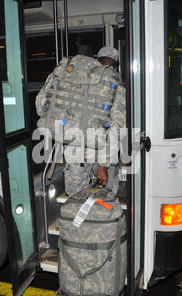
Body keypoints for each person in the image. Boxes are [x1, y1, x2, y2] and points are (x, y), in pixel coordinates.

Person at [35, 46, 126, 200]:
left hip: (75, 154)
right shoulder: (113, 83)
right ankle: (100, 220)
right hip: (102, 153)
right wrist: (103, 165)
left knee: (77, 199)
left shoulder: (68, 76)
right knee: (106, 199)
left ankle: (81, 219)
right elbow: (116, 128)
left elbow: (40, 106)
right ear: (115, 67)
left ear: (96, 62)